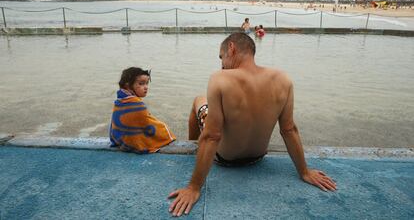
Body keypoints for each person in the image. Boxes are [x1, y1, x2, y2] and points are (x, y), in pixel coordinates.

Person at [168, 33, 336, 217]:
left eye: (221, 57)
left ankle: (193, 146)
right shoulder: (283, 79)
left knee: (198, 101)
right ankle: (196, 146)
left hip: (224, 159)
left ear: (231, 48)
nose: (222, 64)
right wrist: (304, 171)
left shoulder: (220, 78)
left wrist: (194, 187)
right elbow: (289, 129)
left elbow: (212, 136)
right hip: (258, 157)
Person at [109, 67, 176, 153]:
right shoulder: (137, 105)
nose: (146, 87)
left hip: (120, 142)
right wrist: (166, 131)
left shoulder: (119, 101)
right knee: (162, 128)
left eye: (146, 83)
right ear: (128, 86)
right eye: (141, 84)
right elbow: (147, 124)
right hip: (133, 145)